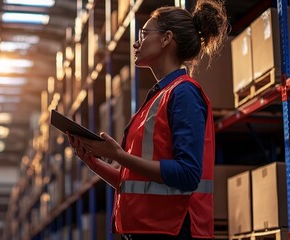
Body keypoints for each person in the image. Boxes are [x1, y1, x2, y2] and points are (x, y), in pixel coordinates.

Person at [66, 0, 228, 239]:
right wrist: (93, 162)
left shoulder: (184, 93)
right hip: (149, 230)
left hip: (174, 230)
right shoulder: (159, 97)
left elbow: (188, 174)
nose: (135, 42)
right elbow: (133, 181)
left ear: (166, 39)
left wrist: (118, 155)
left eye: (143, 34)